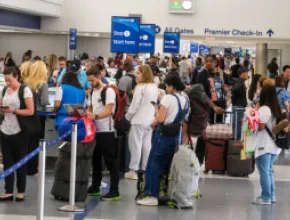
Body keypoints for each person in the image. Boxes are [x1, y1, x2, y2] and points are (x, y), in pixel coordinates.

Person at [136, 74, 189, 206]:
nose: (166, 88)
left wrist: (154, 116)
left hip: (163, 135)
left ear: (171, 86)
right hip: (177, 136)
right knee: (168, 166)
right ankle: (166, 193)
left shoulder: (168, 98)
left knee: (154, 164)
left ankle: (152, 195)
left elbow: (160, 119)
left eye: (166, 86)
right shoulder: (185, 98)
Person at [85, 67, 121, 201]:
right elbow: (91, 106)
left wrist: (95, 116)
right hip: (95, 130)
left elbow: (109, 111)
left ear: (99, 76)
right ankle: (95, 186)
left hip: (107, 131)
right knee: (95, 160)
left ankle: (114, 190)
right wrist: (87, 113)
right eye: (88, 81)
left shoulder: (109, 91)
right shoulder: (93, 91)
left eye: (92, 80)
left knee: (111, 161)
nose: (91, 83)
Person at [0, 67, 34, 201]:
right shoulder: (4, 90)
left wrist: (14, 110)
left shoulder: (25, 90)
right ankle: (8, 191)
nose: (8, 83)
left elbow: (30, 111)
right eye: (5, 80)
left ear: (17, 77)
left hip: (20, 131)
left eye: (10, 80)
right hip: (4, 130)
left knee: (20, 161)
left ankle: (21, 191)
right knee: (7, 162)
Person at [124, 65, 158, 180]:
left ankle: (133, 170)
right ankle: (145, 169)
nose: (135, 75)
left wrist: (128, 116)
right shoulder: (154, 86)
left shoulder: (140, 87)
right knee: (146, 145)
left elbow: (134, 105)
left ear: (144, 74)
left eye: (138, 73)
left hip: (138, 120)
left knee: (135, 145)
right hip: (149, 120)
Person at [252, 85, 282, 205]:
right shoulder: (277, 107)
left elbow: (261, 127)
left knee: (264, 171)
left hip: (264, 144)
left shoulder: (265, 109)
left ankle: (266, 197)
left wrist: (253, 119)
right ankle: (271, 195)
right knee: (268, 171)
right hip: (274, 146)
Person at [23, 61, 50, 175]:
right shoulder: (43, 84)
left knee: (27, 142)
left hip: (27, 115)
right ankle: (33, 168)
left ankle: (23, 167)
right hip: (39, 116)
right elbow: (44, 101)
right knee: (36, 143)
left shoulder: (25, 83)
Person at [232, 67, 249, 140]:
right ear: (242, 74)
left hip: (238, 106)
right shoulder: (240, 82)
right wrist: (243, 93)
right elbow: (236, 89)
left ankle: (237, 139)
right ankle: (236, 141)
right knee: (237, 125)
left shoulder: (239, 82)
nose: (247, 75)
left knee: (238, 124)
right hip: (238, 106)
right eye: (246, 73)